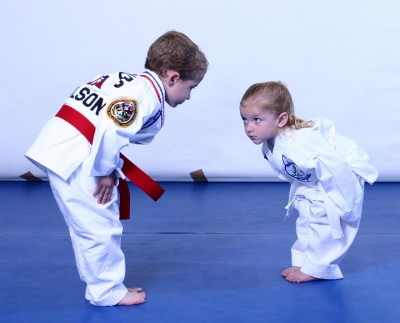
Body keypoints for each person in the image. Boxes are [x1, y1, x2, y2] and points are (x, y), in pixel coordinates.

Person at [25, 30, 208, 305]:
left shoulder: (125, 81)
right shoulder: (144, 96)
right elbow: (111, 130)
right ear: (172, 77)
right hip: (79, 156)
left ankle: (100, 286)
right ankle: (107, 291)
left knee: (86, 225)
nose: (189, 96)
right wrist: (103, 171)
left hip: (66, 146)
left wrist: (106, 165)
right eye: (191, 87)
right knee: (100, 226)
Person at [239, 81, 378, 283]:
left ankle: (319, 267)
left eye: (257, 120)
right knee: (305, 212)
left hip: (341, 171)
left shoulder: (300, 145)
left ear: (281, 119)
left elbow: (334, 167)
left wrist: (348, 204)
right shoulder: (269, 147)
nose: (249, 128)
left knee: (323, 217)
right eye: (245, 120)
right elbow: (294, 173)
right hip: (316, 176)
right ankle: (303, 260)